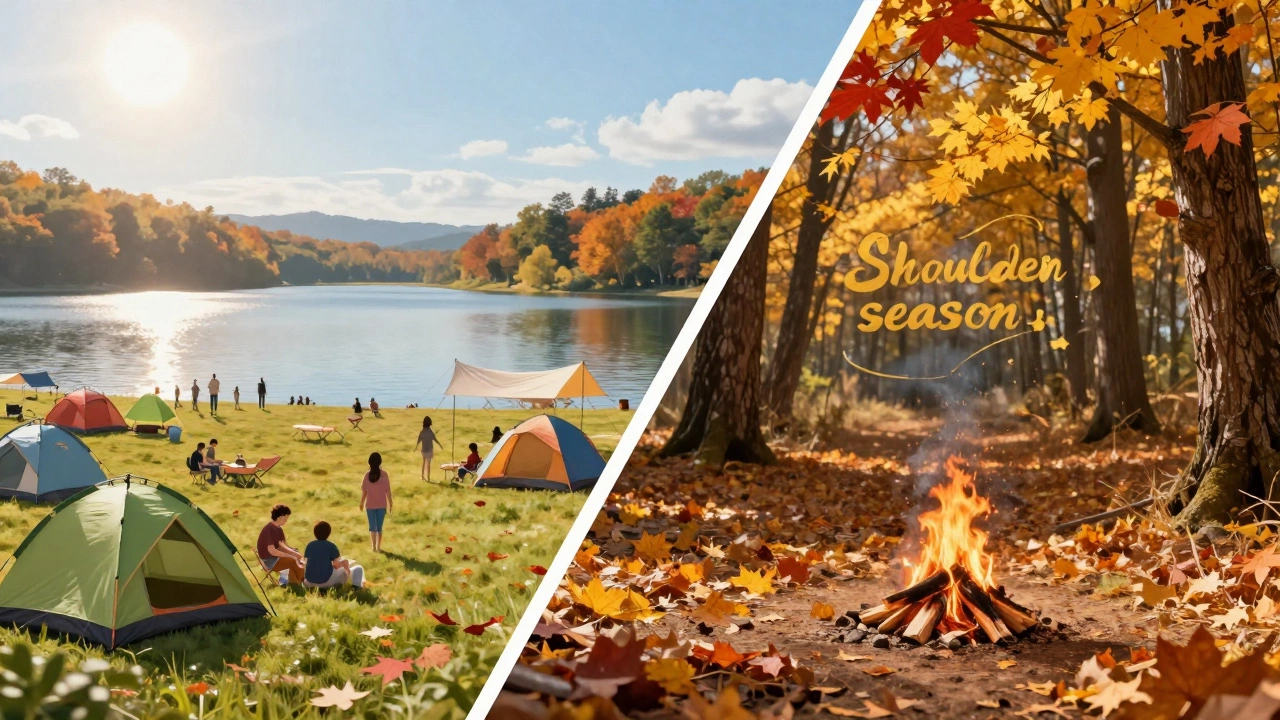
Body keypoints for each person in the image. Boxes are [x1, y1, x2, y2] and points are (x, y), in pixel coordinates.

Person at [303, 521, 364, 589]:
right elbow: (337, 565)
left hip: (309, 582)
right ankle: (356, 588)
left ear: (315, 533)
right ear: (329, 533)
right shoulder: (331, 546)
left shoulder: (310, 545)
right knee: (358, 568)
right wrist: (346, 564)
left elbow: (305, 563)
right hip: (326, 582)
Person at [257, 504, 306, 585]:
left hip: (276, 557)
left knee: (299, 557)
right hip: (269, 560)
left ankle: (300, 581)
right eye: (286, 517)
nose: (287, 520)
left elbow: (283, 546)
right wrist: (291, 556)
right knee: (292, 560)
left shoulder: (278, 529)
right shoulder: (269, 530)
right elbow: (272, 551)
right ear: (280, 517)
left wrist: (294, 552)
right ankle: (297, 583)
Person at [359, 452, 392, 552]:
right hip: (382, 505)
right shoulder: (384, 474)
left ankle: (373, 547)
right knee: (379, 527)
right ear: (380, 462)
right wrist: (390, 502)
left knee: (372, 526)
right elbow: (388, 491)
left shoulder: (367, 475)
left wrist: (361, 503)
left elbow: (364, 492)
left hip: (370, 506)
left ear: (369, 462)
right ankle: (378, 547)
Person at [414, 416, 445, 481]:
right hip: (429, 450)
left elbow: (418, 440)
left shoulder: (422, 431)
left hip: (423, 450)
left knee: (423, 463)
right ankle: (428, 478)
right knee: (428, 465)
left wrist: (416, 448)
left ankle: (422, 476)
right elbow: (434, 439)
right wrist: (440, 445)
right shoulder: (430, 431)